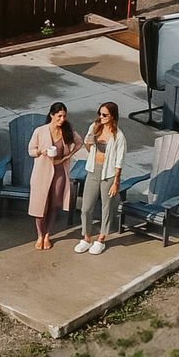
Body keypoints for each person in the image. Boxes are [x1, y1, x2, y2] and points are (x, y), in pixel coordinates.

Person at [75, 101, 126, 255]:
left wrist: (116, 182)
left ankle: (101, 239)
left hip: (108, 173)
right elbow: (89, 146)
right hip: (93, 170)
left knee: (107, 207)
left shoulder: (119, 136)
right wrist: (89, 143)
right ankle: (86, 237)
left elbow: (119, 161)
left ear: (112, 116)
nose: (101, 117)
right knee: (86, 208)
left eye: (105, 115)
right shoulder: (94, 127)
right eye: (100, 113)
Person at [27, 102, 79, 250]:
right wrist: (40, 152)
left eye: (64, 116)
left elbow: (79, 142)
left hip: (59, 171)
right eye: (59, 116)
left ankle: (48, 234)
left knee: (55, 203)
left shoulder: (67, 131)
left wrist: (67, 156)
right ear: (52, 115)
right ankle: (40, 235)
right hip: (42, 172)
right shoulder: (40, 131)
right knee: (40, 204)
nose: (62, 119)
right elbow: (31, 149)